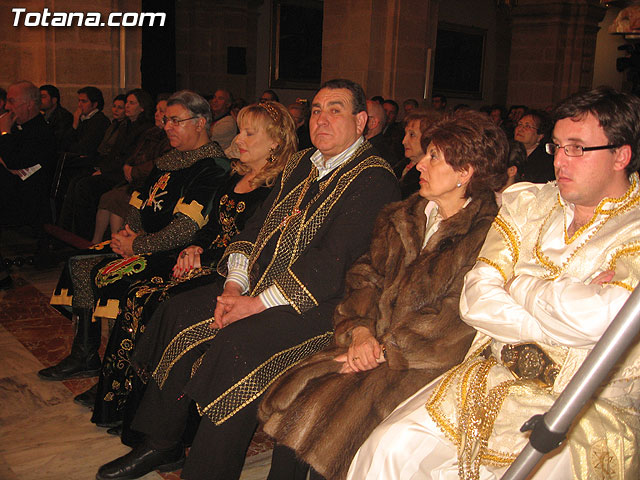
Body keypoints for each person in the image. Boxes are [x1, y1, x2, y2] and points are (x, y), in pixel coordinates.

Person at [95, 78, 400, 480]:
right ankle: (161, 443)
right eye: (317, 110)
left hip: (322, 306)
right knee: (178, 309)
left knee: (238, 345)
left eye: (336, 110)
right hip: (255, 286)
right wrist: (234, 286)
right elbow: (253, 229)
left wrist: (254, 305)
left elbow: (331, 264)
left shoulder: (374, 178)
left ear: (362, 121)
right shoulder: (301, 164)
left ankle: (207, 470)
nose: (322, 119)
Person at [347, 85, 640, 479]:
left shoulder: (634, 225)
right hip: (493, 375)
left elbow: (605, 319)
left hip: (589, 400)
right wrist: (562, 311)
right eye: (556, 147)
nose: (560, 163)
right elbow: (476, 297)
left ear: (621, 154)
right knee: (388, 448)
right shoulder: (531, 203)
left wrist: (519, 284)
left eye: (577, 149)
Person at [259, 110, 508, 480]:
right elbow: (364, 276)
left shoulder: (488, 234)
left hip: (424, 364)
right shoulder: (401, 216)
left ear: (465, 172)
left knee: (330, 418)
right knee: (299, 405)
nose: (420, 163)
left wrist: (384, 351)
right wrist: (359, 332)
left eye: (433, 157)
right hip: (368, 344)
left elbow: (457, 318)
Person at [82, 102, 296, 443]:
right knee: (136, 293)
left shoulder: (279, 187)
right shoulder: (236, 174)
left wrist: (203, 256)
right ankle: (118, 399)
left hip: (230, 272)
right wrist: (194, 246)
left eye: (248, 133)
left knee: (148, 299)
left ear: (275, 141)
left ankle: (144, 412)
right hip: (205, 258)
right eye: (239, 130)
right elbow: (210, 227)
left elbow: (252, 246)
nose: (238, 139)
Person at [41, 90, 229, 382]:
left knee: (107, 274)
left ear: (200, 122)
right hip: (142, 240)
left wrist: (137, 245)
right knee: (79, 261)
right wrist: (129, 231)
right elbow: (139, 200)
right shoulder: (168, 158)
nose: (166, 127)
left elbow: (185, 228)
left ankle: (119, 375)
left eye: (175, 121)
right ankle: (85, 354)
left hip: (171, 252)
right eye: (166, 120)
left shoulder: (213, 166)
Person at [58, 89, 155, 240]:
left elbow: (129, 157)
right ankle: (68, 230)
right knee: (76, 180)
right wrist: (102, 168)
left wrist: (104, 171)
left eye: (131, 103)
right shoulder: (125, 125)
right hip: (113, 168)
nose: (127, 106)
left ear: (142, 107)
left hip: (121, 174)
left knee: (86, 186)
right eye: (127, 103)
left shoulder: (144, 129)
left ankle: (84, 234)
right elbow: (113, 153)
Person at [90, 97, 171, 244]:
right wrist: (127, 166)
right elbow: (135, 152)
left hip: (148, 183)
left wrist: (134, 171)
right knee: (107, 197)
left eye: (161, 111)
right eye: (156, 110)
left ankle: (118, 246)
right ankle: (95, 242)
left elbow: (159, 163)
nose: (157, 114)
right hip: (135, 178)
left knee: (117, 203)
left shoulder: (169, 138)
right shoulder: (151, 132)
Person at [0, 81, 56, 227]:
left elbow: (14, 163)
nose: (6, 107)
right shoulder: (19, 128)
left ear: (29, 104)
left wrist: (5, 133)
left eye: (11, 101)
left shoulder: (41, 132)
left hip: (27, 201)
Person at [396, 109, 441, 198]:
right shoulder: (399, 166)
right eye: (405, 134)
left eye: (412, 135)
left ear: (428, 139)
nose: (404, 141)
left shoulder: (429, 180)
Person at [515, 109, 554, 183]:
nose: (520, 129)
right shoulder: (508, 151)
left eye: (527, 126)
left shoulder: (545, 163)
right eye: (520, 124)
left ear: (540, 136)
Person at [40, 84, 73, 148]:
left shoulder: (64, 117)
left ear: (54, 100)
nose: (39, 100)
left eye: (43, 97)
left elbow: (58, 140)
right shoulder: (42, 116)